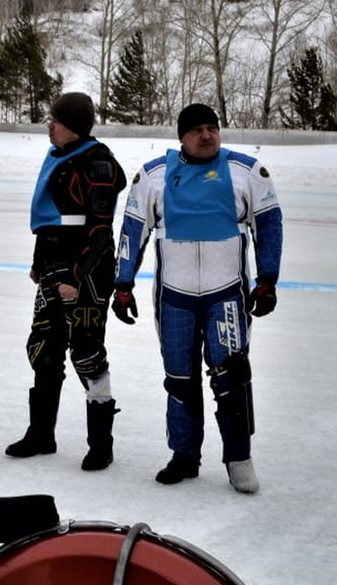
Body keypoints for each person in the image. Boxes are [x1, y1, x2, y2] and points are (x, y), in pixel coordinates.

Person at [114, 103, 283, 493]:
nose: (206, 135)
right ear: (181, 137)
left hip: (227, 295)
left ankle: (239, 458)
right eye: (197, 130)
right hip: (175, 297)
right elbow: (132, 230)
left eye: (212, 128)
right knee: (179, 379)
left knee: (232, 378)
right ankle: (184, 456)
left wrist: (268, 280)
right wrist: (123, 285)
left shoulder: (246, 171)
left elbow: (269, 225)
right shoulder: (154, 176)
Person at [7, 92, 127, 470]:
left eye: (54, 120)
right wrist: (39, 263)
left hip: (85, 271)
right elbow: (52, 222)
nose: (49, 125)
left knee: (87, 353)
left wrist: (78, 276)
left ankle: (100, 445)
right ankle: (41, 434)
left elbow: (100, 232)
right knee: (43, 348)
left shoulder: (97, 162)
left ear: (71, 126)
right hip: (54, 264)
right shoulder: (59, 156)